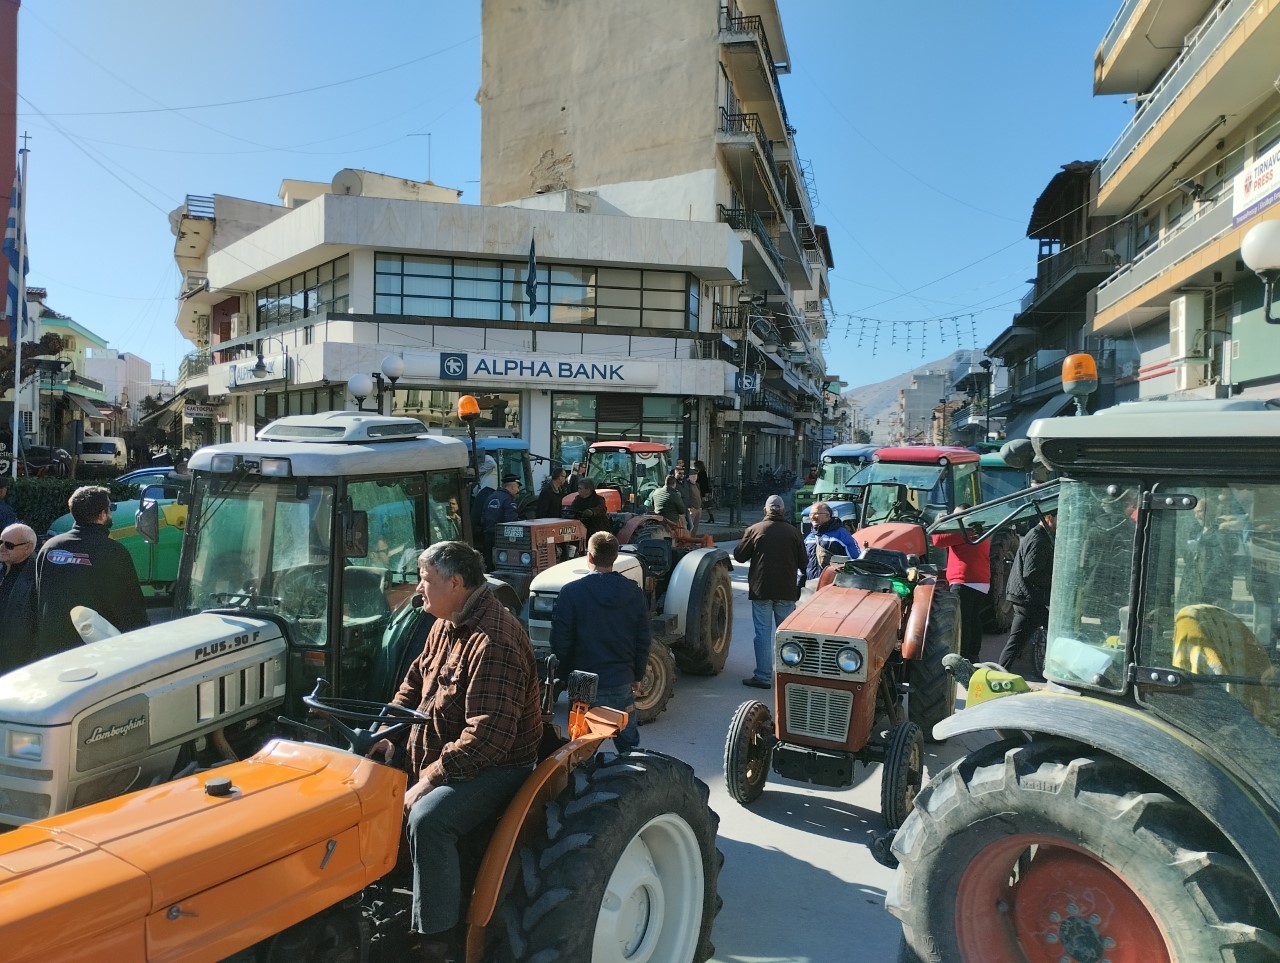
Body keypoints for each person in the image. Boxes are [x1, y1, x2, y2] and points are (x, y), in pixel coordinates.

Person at [371, 541, 542, 962]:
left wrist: (428, 779)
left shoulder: (493, 640)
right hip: (446, 753)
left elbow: (489, 737)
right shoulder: (446, 622)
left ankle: (438, 943)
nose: (418, 590)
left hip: (499, 766)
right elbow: (414, 683)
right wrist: (385, 730)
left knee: (429, 820)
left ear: (456, 583)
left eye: (426, 581)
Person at [550, 531, 650, 753]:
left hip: (583, 681)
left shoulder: (571, 592)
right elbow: (643, 639)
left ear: (589, 557)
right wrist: (637, 676)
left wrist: (566, 676)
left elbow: (560, 642)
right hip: (621, 678)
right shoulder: (633, 592)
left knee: (580, 748)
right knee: (629, 748)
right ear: (614, 557)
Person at [33, 485, 148, 660]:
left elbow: (37, 598)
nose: (111, 513)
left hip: (52, 651)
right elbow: (131, 607)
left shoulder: (49, 548)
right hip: (96, 651)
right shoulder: (114, 552)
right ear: (102, 515)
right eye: (110, 508)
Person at [733, 494, 807, 688]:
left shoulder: (755, 530)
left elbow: (739, 556)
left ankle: (764, 676)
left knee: (763, 633)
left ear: (765, 511)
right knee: (787, 635)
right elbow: (804, 562)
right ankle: (788, 676)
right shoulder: (794, 532)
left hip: (761, 590)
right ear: (783, 511)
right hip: (786, 590)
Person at [999, 510, 1056, 676]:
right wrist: (1056, 581)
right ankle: (1000, 676)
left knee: (1018, 641)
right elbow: (1031, 573)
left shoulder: (1040, 535)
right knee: (1016, 643)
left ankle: (1005, 673)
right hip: (1028, 599)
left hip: (1027, 597)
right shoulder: (1039, 538)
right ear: (1048, 517)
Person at [931, 504, 990, 662]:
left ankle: (962, 657)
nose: (954, 519)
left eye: (956, 516)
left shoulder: (963, 529)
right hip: (982, 582)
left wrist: (940, 521)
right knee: (974, 619)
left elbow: (937, 540)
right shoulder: (980, 529)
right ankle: (973, 654)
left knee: (962, 621)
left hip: (964, 580)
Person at [0, 523, 38, 673]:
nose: (2, 547)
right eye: (0, 542)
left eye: (9, 545)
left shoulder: (38, 575)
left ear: (27, 547)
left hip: (19, 660)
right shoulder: (2, 568)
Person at [804, 500, 862, 579]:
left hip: (833, 586)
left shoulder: (841, 534)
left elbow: (855, 561)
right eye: (810, 514)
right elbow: (803, 565)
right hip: (811, 586)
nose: (812, 517)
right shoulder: (809, 537)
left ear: (827, 516)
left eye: (816, 514)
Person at [479, 474, 521, 568]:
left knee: (489, 563)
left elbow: (483, 517)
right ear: (512, 486)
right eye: (517, 487)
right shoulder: (508, 500)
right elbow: (511, 522)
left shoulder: (491, 497)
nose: (518, 490)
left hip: (487, 535)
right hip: (501, 539)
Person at [675, 466, 702, 537]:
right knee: (689, 526)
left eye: (695, 476)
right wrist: (690, 506)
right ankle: (688, 539)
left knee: (694, 527)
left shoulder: (697, 485)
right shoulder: (687, 484)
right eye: (692, 476)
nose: (694, 477)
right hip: (691, 508)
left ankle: (692, 539)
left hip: (698, 508)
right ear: (689, 477)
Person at [695, 459, 714, 524]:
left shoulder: (700, 474)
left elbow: (700, 483)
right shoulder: (704, 472)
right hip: (705, 491)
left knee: (703, 504)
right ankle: (711, 517)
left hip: (703, 491)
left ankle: (698, 517)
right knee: (707, 505)